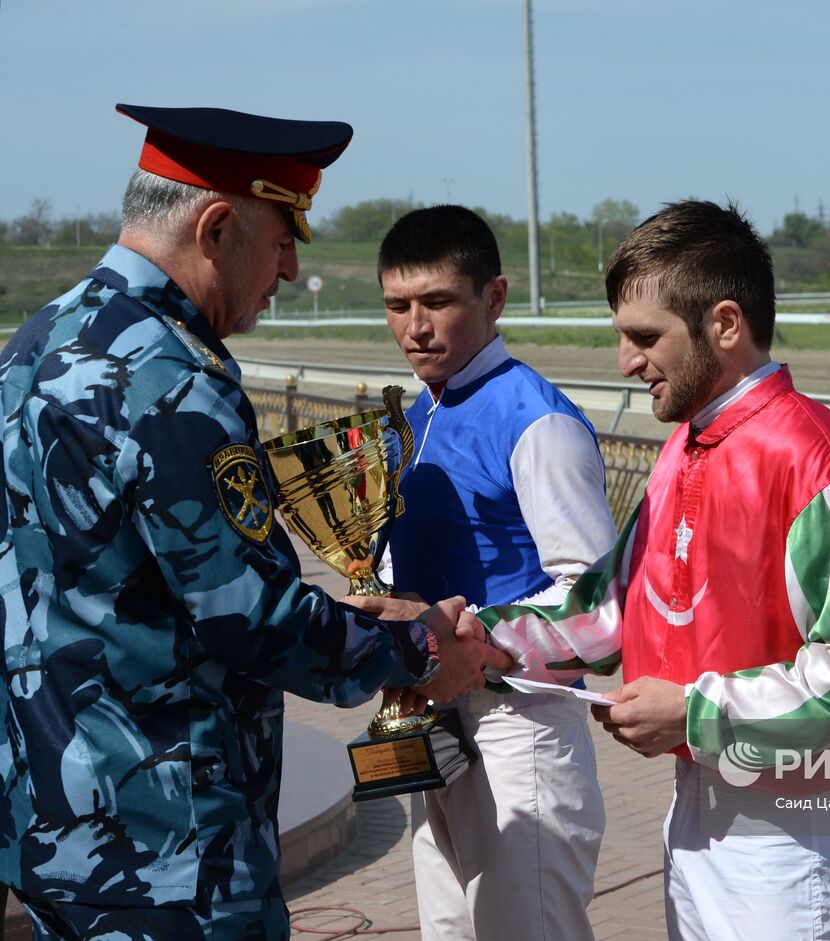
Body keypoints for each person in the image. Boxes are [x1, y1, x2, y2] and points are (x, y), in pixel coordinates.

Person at [0, 104, 510, 940]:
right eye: (281, 241)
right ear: (216, 226)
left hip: (53, 833)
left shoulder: (36, 343)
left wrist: (363, 612)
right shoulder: (171, 376)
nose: (286, 271)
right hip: (169, 853)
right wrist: (420, 648)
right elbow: (255, 619)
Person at [464, 200, 830, 940]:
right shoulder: (684, 447)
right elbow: (609, 612)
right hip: (697, 805)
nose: (626, 362)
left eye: (645, 338)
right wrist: (473, 640)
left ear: (725, 325)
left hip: (789, 837)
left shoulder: (818, 461)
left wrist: (697, 712)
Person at [346, 205, 615, 941]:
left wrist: (473, 641)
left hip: (517, 729)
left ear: (493, 297)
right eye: (397, 305)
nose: (415, 327)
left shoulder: (537, 420)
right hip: (433, 720)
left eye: (437, 302)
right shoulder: (419, 417)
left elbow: (598, 606)